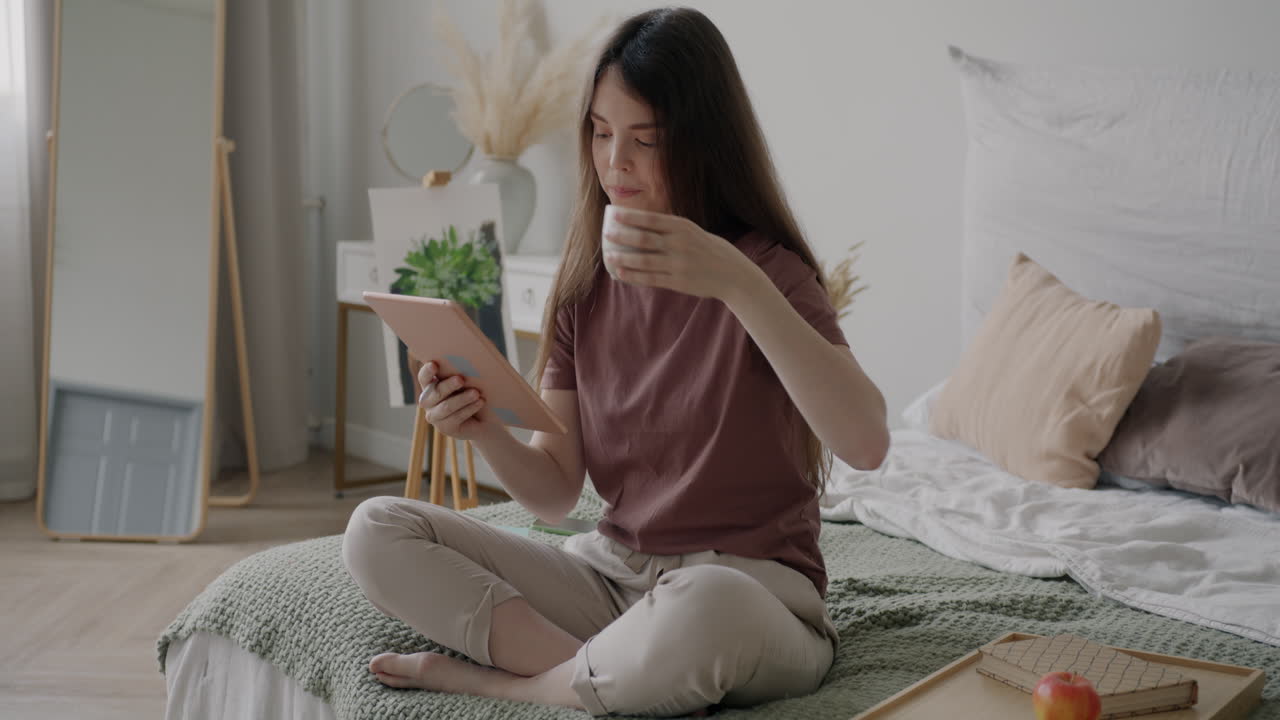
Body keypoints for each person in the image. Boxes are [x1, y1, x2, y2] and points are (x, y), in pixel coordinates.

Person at [342, 7, 889, 717]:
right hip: (612, 580)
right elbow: (554, 494)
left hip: (751, 595)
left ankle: (515, 682)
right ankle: (606, 672)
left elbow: (867, 443)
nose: (614, 162)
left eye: (644, 140)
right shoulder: (584, 291)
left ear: (701, 145)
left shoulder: (768, 275)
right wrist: (480, 427)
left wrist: (735, 283)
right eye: (600, 133)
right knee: (377, 529)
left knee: (706, 603)